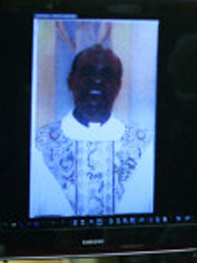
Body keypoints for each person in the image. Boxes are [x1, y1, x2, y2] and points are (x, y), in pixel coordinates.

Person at [30, 43, 154, 217]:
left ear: (118, 86)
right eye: (88, 72)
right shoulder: (39, 145)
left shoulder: (145, 146)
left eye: (107, 74)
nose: (97, 81)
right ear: (71, 81)